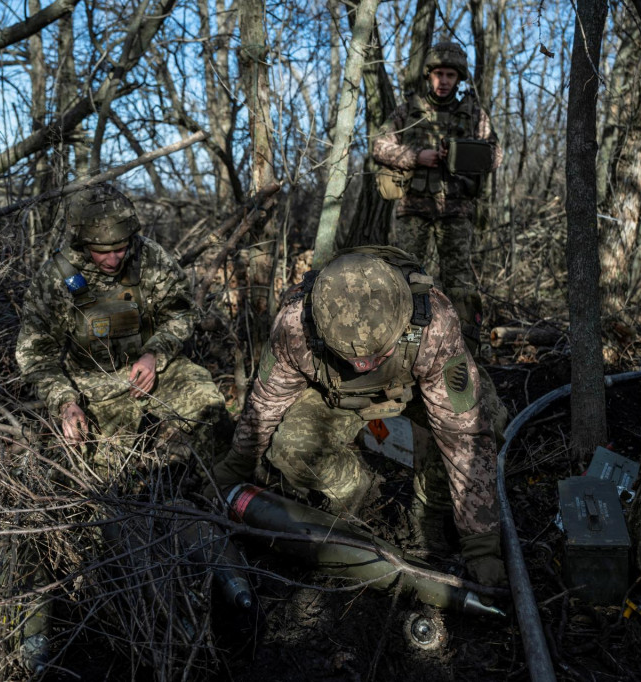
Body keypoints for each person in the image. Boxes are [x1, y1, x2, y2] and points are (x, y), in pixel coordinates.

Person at [207, 247, 505, 587]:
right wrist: (235, 467)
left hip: (414, 391)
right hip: (333, 399)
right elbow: (266, 402)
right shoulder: (294, 327)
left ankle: (432, 509)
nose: (364, 365)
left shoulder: (433, 322)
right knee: (291, 449)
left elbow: (463, 435)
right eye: (352, 357)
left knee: (492, 422)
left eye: (377, 355)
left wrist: (481, 547)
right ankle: (360, 500)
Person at [15, 182, 227, 481]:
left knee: (210, 411)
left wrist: (155, 353)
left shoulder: (149, 257)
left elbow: (181, 312)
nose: (114, 259)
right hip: (92, 387)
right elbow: (36, 355)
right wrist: (65, 402)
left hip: (156, 369)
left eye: (121, 248)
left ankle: (221, 493)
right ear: (82, 243)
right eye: (103, 251)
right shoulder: (55, 279)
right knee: (101, 481)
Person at [371, 41, 502, 351]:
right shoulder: (409, 109)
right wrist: (417, 156)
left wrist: (459, 154)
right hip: (413, 208)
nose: (444, 81)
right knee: (406, 279)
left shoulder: (472, 114)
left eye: (450, 75)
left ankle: (465, 349)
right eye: (439, 74)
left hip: (456, 209)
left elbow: (495, 154)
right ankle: (404, 348)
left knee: (459, 283)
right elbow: (379, 146)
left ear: (459, 78)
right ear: (429, 75)